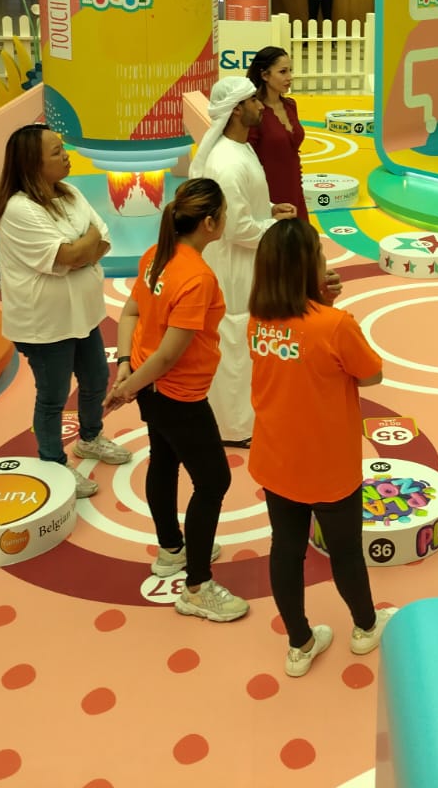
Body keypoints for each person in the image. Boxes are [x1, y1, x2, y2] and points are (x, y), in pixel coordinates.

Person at [247, 219, 396, 678]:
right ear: (306, 266)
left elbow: (299, 351)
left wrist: (320, 303)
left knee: (285, 549)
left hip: (276, 458)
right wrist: (328, 309)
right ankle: (366, 627)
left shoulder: (257, 320)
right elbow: (371, 375)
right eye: (319, 253)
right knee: (346, 551)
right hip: (329, 464)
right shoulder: (336, 325)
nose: (324, 259)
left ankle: (299, 643)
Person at [104, 178, 248, 623]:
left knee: (164, 460)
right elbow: (169, 354)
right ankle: (198, 587)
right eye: (225, 213)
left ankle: (171, 549)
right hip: (176, 393)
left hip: (149, 384)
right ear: (210, 223)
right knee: (214, 481)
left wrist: (126, 368)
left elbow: (130, 313)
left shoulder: (156, 255)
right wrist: (126, 387)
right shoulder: (197, 277)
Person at [0, 124, 131, 497]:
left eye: (62, 147)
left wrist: (83, 249)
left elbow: (102, 239)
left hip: (82, 314)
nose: (66, 155)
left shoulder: (69, 193)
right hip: (45, 324)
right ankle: (54, 462)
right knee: (53, 396)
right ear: (32, 164)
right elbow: (69, 255)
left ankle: (90, 437)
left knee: (96, 378)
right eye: (56, 151)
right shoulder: (19, 210)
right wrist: (83, 246)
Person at [188, 78, 299, 446]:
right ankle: (235, 429)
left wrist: (270, 209)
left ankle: (246, 417)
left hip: (247, 261)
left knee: (244, 338)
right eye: (253, 100)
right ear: (236, 109)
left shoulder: (241, 149)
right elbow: (238, 229)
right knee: (235, 340)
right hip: (234, 266)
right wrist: (275, 225)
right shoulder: (226, 163)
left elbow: (245, 208)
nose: (260, 106)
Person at [245, 45, 306, 222]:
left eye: (290, 71)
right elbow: (247, 156)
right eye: (283, 72)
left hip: (295, 188)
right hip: (268, 192)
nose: (289, 77)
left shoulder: (291, 106)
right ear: (265, 75)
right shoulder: (254, 112)